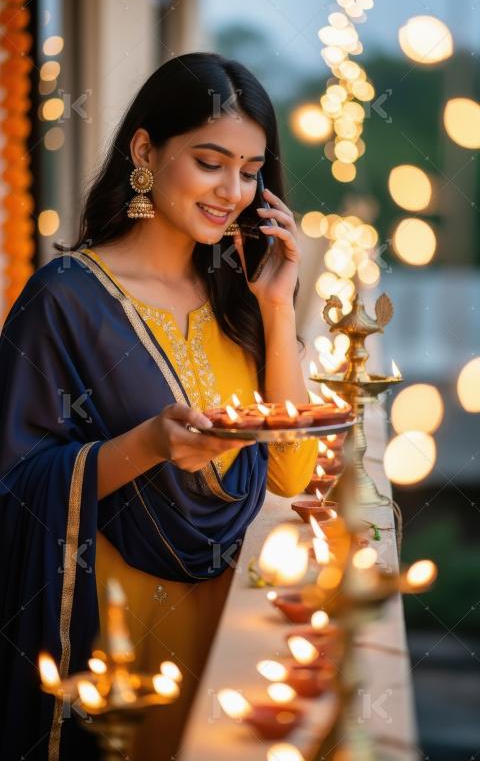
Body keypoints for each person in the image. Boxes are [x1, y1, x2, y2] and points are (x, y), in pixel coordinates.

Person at [0, 52, 318, 761]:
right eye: (210, 162)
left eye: (250, 169)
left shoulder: (237, 296)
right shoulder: (64, 301)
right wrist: (147, 446)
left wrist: (275, 306)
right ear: (146, 150)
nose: (232, 190)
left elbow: (293, 472)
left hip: (231, 624)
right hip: (113, 632)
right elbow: (14, 491)